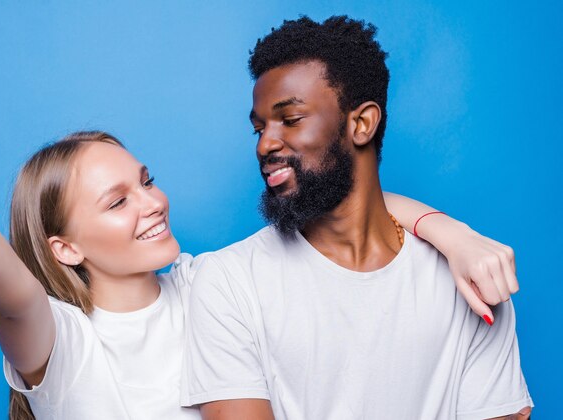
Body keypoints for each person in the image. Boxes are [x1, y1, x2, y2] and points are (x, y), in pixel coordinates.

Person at [0, 124, 518, 418]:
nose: (152, 202)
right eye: (117, 203)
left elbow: (347, 207)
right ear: (64, 249)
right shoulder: (63, 340)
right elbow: (10, 291)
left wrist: (451, 234)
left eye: (145, 180)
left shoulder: (214, 282)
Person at [180, 16, 533, 419]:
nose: (265, 145)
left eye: (290, 120)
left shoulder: (469, 281)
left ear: (362, 123)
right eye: (259, 128)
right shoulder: (228, 281)